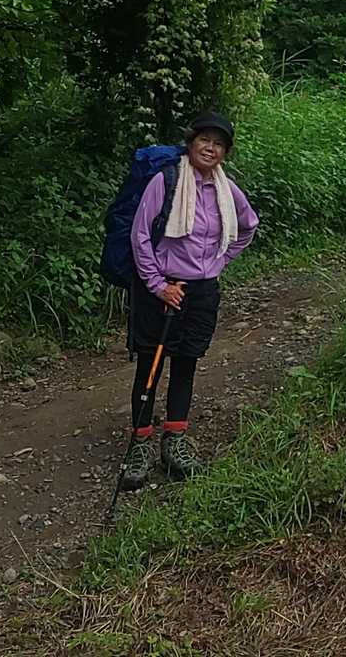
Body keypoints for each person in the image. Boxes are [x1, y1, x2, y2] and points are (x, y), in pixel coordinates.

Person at [120, 111, 259, 488]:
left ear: (225, 153)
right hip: (161, 287)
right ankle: (140, 444)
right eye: (204, 140)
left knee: (186, 362)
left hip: (201, 291)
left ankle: (175, 441)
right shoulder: (165, 181)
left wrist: (219, 262)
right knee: (150, 365)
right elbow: (140, 236)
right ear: (191, 142)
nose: (210, 148)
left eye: (219, 144)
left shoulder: (227, 190)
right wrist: (157, 285)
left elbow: (248, 226)